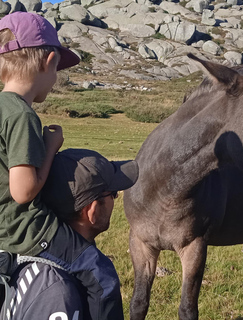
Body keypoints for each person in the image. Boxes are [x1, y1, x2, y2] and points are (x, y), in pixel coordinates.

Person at [0, 12, 123, 319]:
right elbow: (23, 191)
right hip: (26, 229)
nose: (55, 80)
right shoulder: (21, 115)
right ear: (49, 60)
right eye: (57, 70)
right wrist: (52, 148)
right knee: (102, 275)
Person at [0, 148, 139, 320]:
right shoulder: (58, 292)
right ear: (92, 211)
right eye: (114, 194)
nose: (115, 199)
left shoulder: (33, 259)